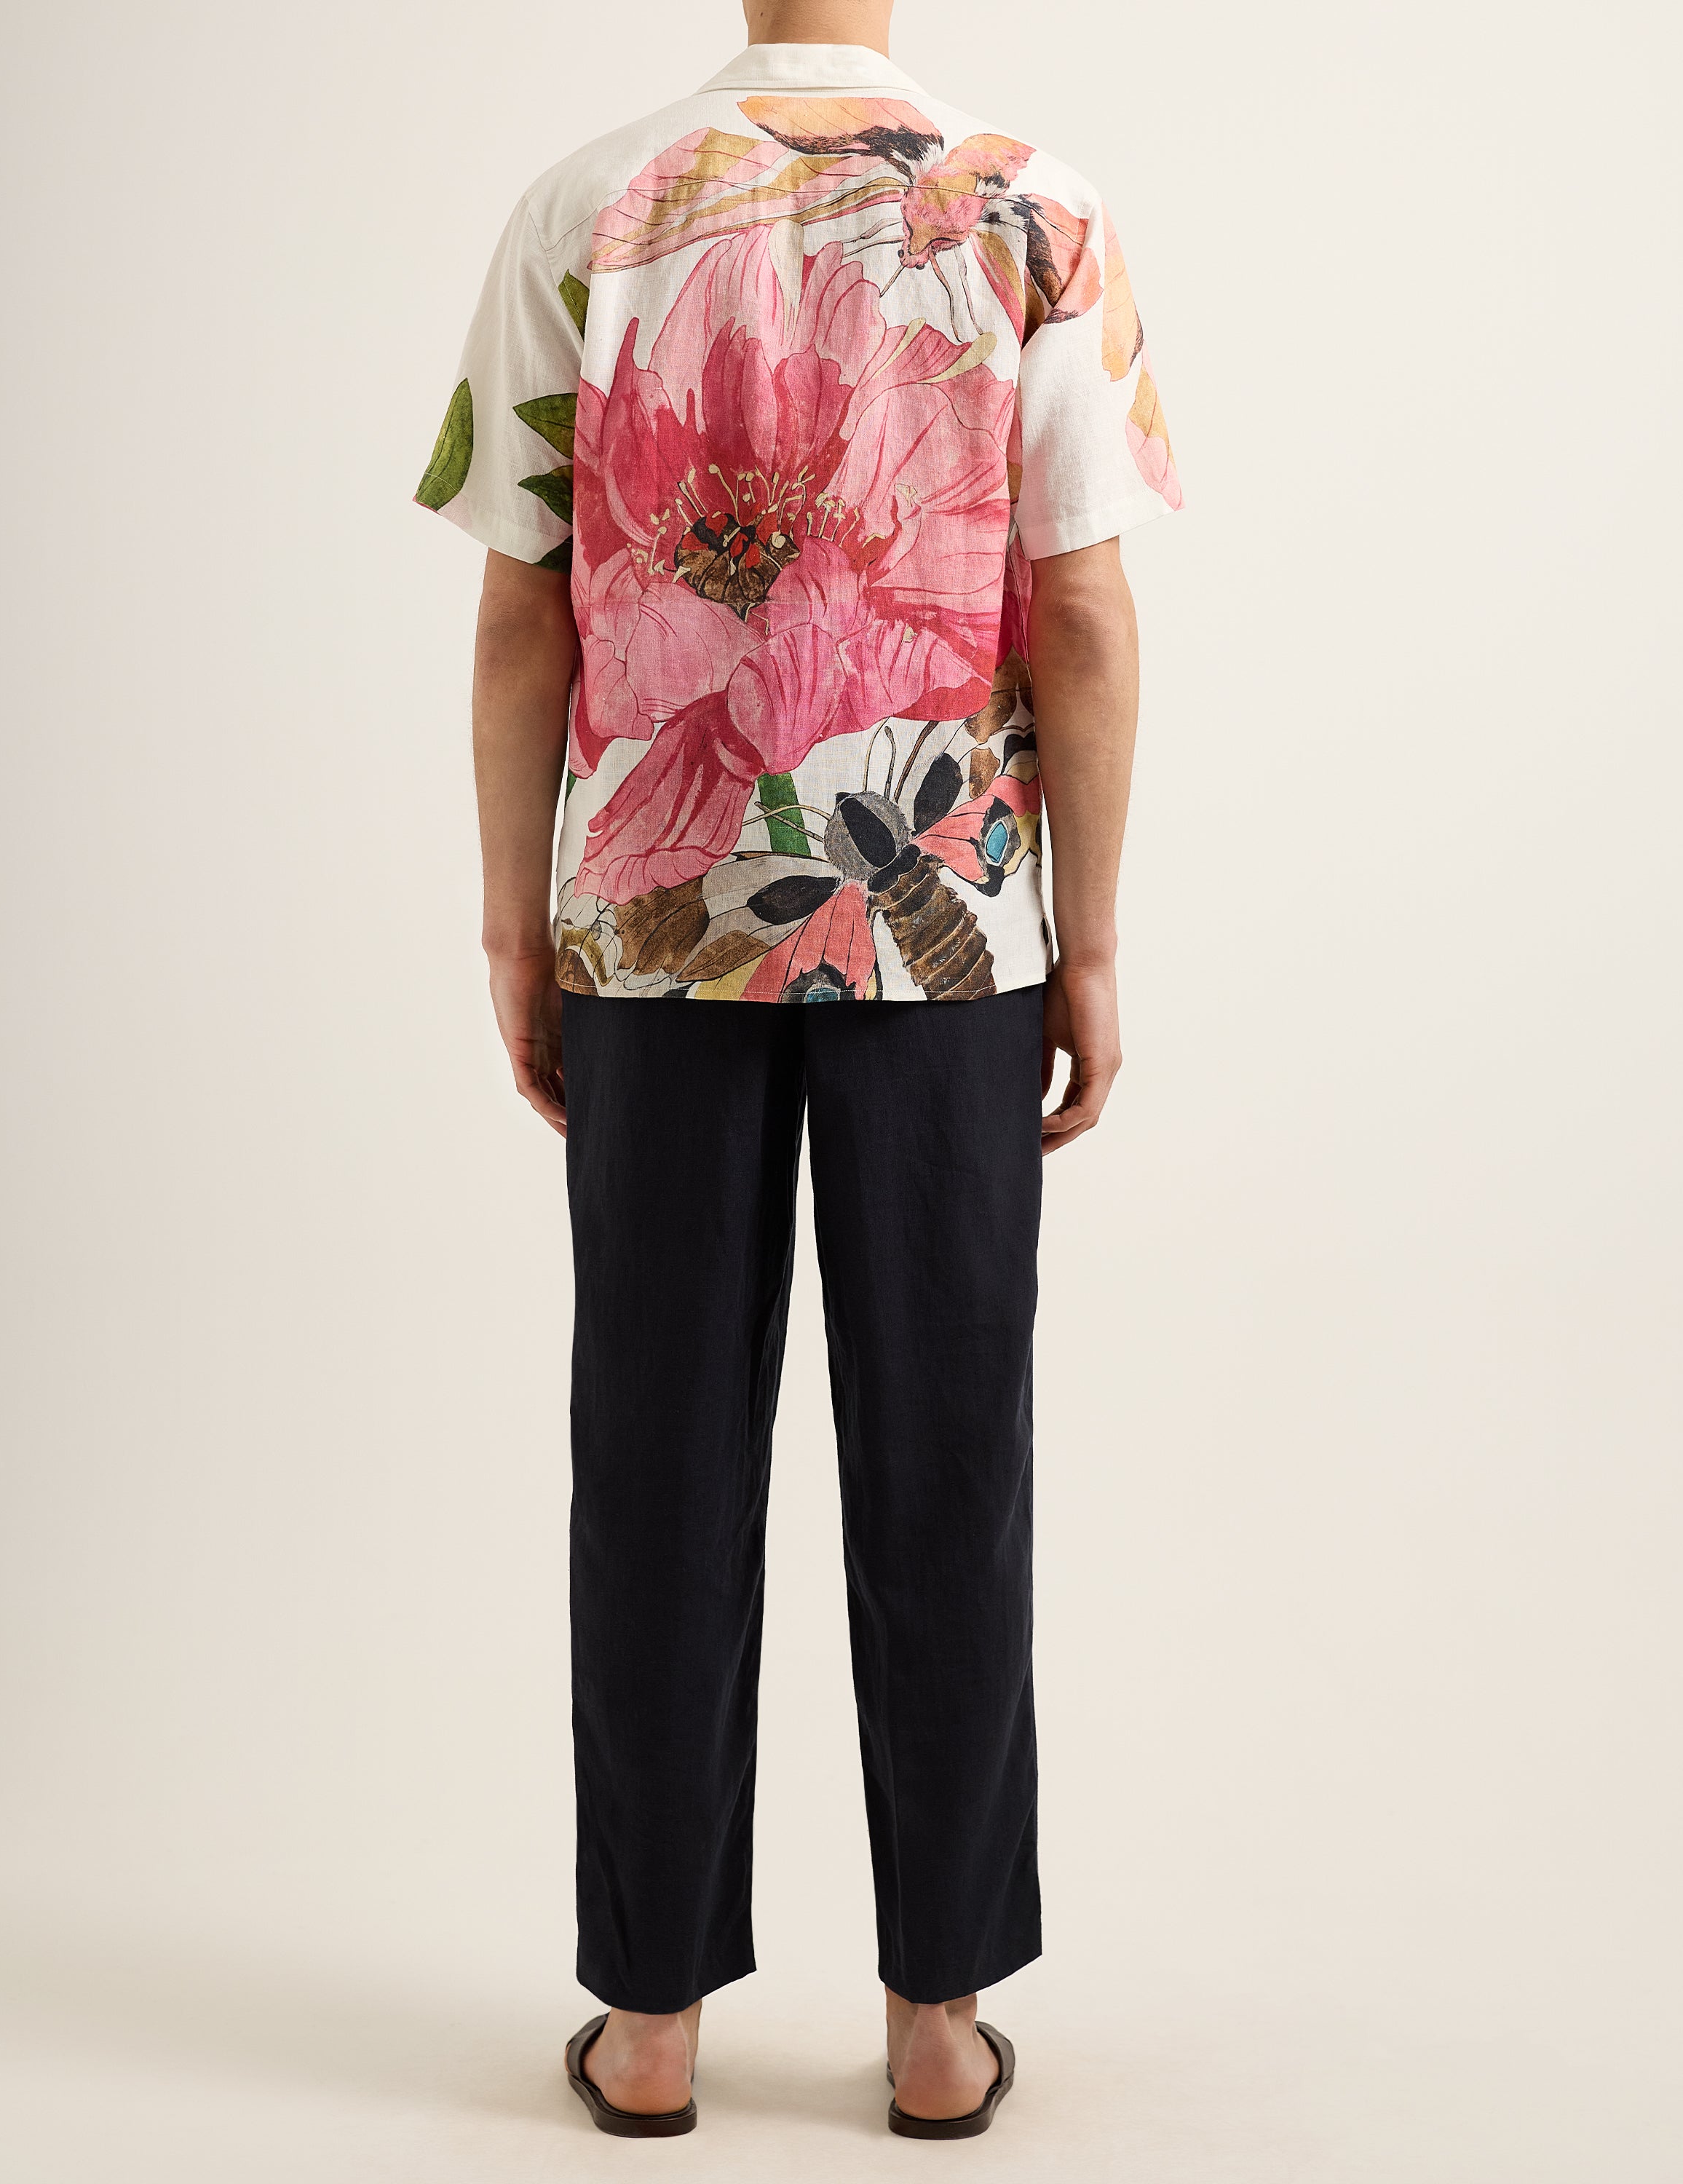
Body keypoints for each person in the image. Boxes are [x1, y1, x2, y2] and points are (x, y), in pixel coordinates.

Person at [415, 0, 1179, 2141]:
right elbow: (1083, 610)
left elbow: (522, 613)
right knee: (947, 1455)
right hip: (947, 930)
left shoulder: (586, 207)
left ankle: (650, 2017)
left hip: (652, 929)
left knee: (655, 1451)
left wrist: (518, 925)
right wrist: (1090, 939)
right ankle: (938, 2018)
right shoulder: (1033, 208)